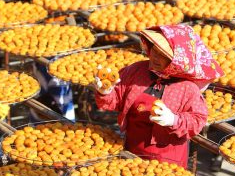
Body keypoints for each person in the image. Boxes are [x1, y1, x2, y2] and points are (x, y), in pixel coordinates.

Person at [93, 25, 224, 167]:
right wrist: (105, 92)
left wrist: (174, 120)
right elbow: (116, 100)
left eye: (163, 55)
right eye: (155, 50)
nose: (155, 57)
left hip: (168, 159)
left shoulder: (187, 87)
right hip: (133, 150)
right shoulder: (136, 71)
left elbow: (198, 120)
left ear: (176, 61)